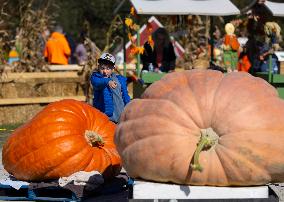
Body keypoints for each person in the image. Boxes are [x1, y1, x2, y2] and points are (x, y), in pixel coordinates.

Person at [90, 53, 131, 123]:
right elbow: (97, 82)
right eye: (102, 68)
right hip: (105, 117)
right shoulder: (96, 77)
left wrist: (129, 107)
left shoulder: (119, 79)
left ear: (113, 69)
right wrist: (107, 81)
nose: (105, 71)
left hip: (121, 115)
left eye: (108, 69)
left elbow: (125, 95)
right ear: (98, 67)